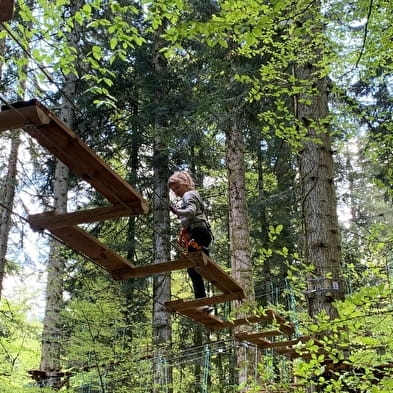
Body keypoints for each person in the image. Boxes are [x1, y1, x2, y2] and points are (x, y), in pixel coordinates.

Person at [168, 171, 213, 305]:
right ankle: (204, 300)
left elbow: (191, 211)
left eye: (177, 188)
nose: (176, 192)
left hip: (198, 232)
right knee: (200, 266)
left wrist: (177, 211)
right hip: (203, 233)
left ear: (185, 183)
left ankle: (202, 301)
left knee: (192, 268)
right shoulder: (193, 195)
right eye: (173, 190)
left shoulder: (188, 194)